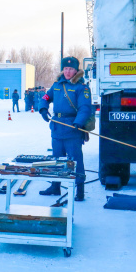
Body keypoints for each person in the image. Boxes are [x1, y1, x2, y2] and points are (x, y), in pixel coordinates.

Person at [38, 56, 94, 201]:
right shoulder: (57, 85)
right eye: (66, 69)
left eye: (71, 69)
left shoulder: (82, 88)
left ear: (76, 71)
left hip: (72, 128)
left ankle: (80, 189)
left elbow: (85, 108)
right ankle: (55, 187)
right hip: (57, 128)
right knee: (56, 159)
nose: (68, 72)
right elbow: (45, 98)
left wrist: (78, 122)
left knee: (75, 161)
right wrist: (43, 108)